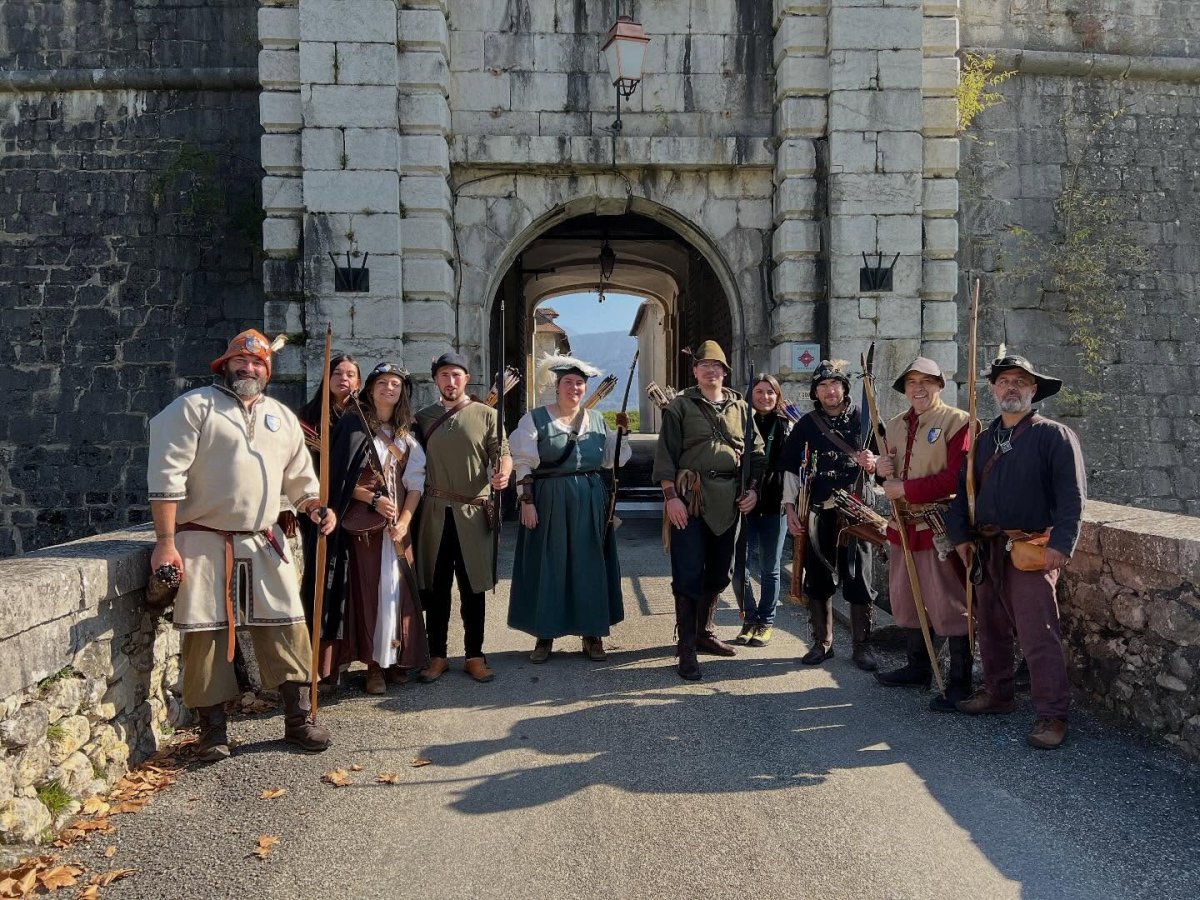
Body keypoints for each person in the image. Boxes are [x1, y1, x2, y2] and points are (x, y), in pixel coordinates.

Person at [147, 329, 334, 762]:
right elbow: (166, 477)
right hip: (202, 539)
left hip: (263, 539)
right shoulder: (193, 408)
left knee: (288, 624)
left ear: (267, 372)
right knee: (206, 635)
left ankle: (298, 719)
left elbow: (300, 478)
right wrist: (165, 542)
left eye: (257, 364)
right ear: (225, 364)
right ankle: (212, 732)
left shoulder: (281, 417)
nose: (248, 368)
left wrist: (314, 506)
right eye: (241, 361)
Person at [947, 354, 1086, 750]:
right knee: (990, 627)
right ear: (994, 389)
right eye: (1004, 380)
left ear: (1033, 389)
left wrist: (1062, 544)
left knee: (1038, 632)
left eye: (1020, 381)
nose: (1012, 387)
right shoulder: (983, 441)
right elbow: (962, 495)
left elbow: (1072, 497)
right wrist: (960, 537)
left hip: (1030, 548)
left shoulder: (1054, 436)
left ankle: (1052, 714)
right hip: (986, 548)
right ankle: (998, 693)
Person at [652, 340, 765, 681]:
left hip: (729, 499)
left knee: (719, 573)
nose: (711, 371)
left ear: (724, 372)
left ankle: (703, 632)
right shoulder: (680, 407)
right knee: (688, 573)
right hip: (689, 498)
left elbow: (757, 454)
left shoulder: (742, 408)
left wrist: (753, 491)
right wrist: (671, 497)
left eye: (717, 366)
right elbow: (665, 456)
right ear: (695, 371)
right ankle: (686, 646)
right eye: (705, 366)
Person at [507, 355, 631, 662]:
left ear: (585, 388)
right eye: (568, 382)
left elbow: (612, 460)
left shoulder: (597, 420)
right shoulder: (535, 419)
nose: (574, 388)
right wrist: (526, 502)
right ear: (557, 386)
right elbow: (522, 463)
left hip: (590, 499)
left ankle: (592, 634)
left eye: (579, 383)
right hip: (548, 498)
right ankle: (544, 634)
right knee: (548, 565)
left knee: (590, 566)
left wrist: (622, 435)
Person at [322, 363, 428, 694]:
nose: (389, 388)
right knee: (370, 594)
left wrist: (405, 522)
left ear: (402, 392)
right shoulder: (353, 427)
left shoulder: (407, 433)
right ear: (370, 388)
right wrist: (372, 499)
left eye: (395, 383)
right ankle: (373, 666)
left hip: (398, 529)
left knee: (397, 593)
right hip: (366, 529)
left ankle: (394, 658)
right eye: (382, 382)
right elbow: (338, 479)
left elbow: (415, 484)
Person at [874, 357, 973, 711]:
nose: (919, 388)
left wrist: (906, 489)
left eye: (927, 381)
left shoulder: (959, 422)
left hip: (937, 525)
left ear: (939, 385)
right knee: (906, 601)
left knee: (948, 604)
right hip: (902, 526)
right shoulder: (893, 426)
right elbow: (888, 476)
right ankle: (918, 668)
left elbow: (957, 479)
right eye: (912, 382)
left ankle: (960, 682)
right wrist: (880, 469)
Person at [414, 352, 512, 684]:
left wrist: (503, 474)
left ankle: (474, 655)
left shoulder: (488, 415)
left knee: (473, 588)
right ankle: (437, 656)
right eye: (444, 375)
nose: (450, 381)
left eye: (456, 374)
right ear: (435, 380)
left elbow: (502, 453)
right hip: (435, 512)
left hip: (473, 513)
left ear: (466, 379)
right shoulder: (422, 418)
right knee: (436, 587)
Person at [778, 360, 879, 670]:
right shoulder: (806, 425)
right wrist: (790, 509)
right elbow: (791, 470)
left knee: (859, 579)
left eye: (834, 384)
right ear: (815, 392)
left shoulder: (866, 419)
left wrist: (873, 462)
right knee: (818, 578)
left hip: (856, 514)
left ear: (844, 388)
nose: (829, 390)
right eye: (822, 386)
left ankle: (862, 646)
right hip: (818, 512)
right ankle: (822, 643)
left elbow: (888, 461)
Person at [296, 354, 361, 633]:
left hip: (353, 505)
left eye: (350, 374)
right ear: (326, 378)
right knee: (319, 572)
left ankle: (348, 644)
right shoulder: (308, 417)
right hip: (317, 506)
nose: (343, 379)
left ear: (358, 382)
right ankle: (317, 640)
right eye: (337, 373)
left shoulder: (363, 418)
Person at [731, 373, 791, 647]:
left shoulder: (786, 425)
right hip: (743, 505)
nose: (765, 397)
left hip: (774, 505)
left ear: (777, 396)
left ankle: (765, 622)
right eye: (759, 392)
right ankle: (749, 618)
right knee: (738, 569)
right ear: (750, 395)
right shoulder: (739, 422)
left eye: (770, 392)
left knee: (770, 568)